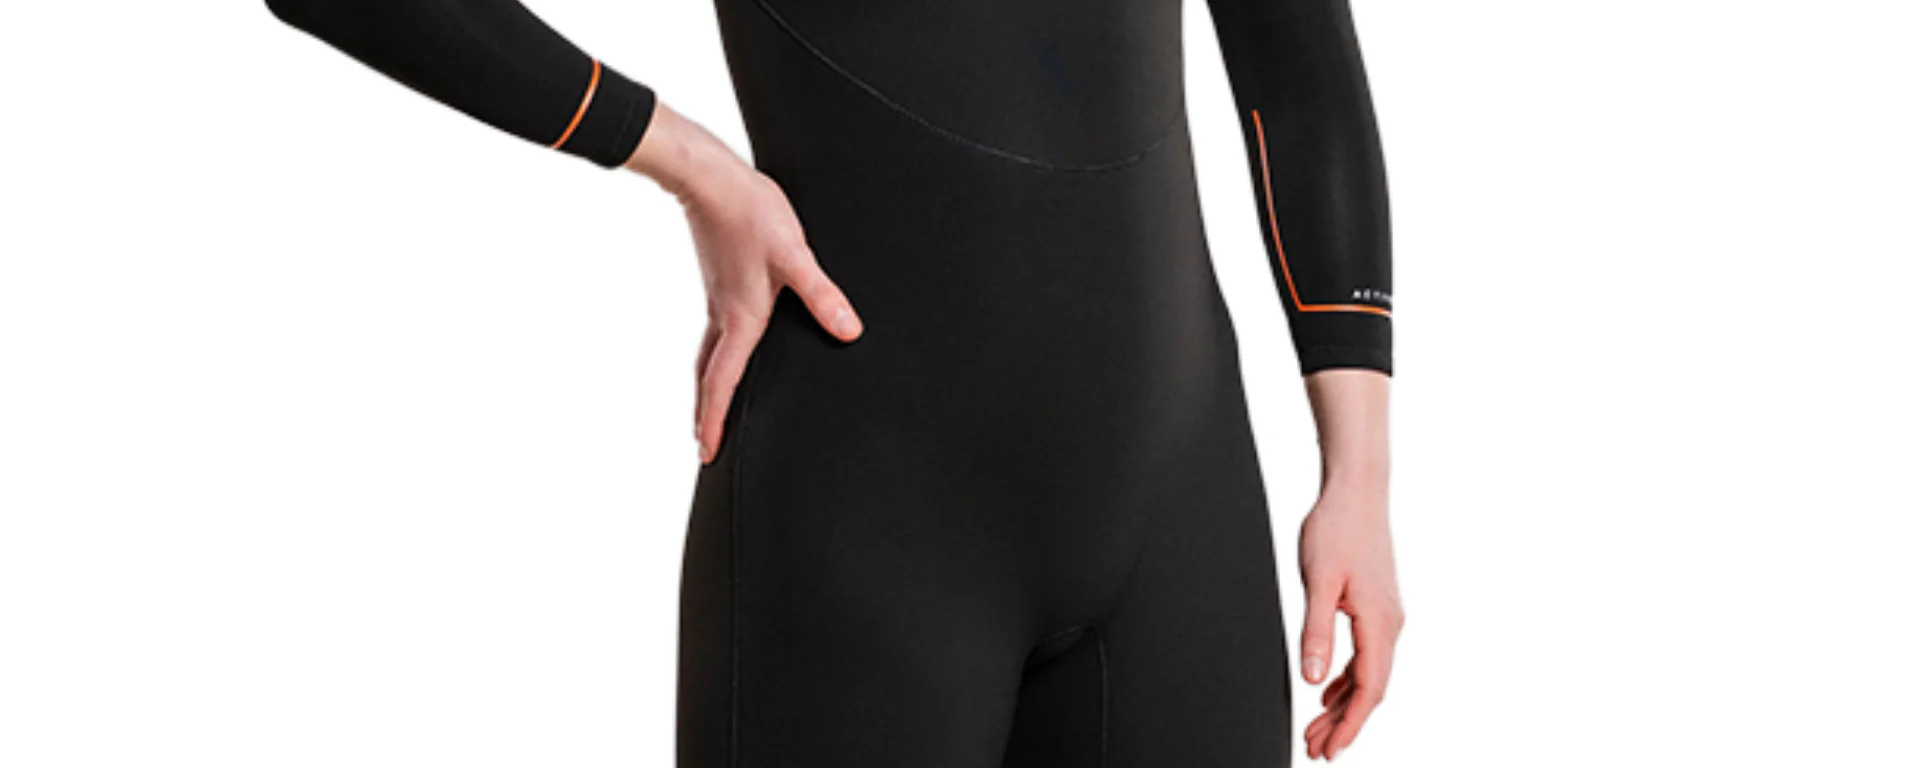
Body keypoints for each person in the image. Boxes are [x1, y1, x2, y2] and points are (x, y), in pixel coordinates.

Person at [263, 0, 1405, 764]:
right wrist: (686, 163)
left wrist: (1357, 475)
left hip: (1181, 520)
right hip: (869, 518)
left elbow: (1299, 65)